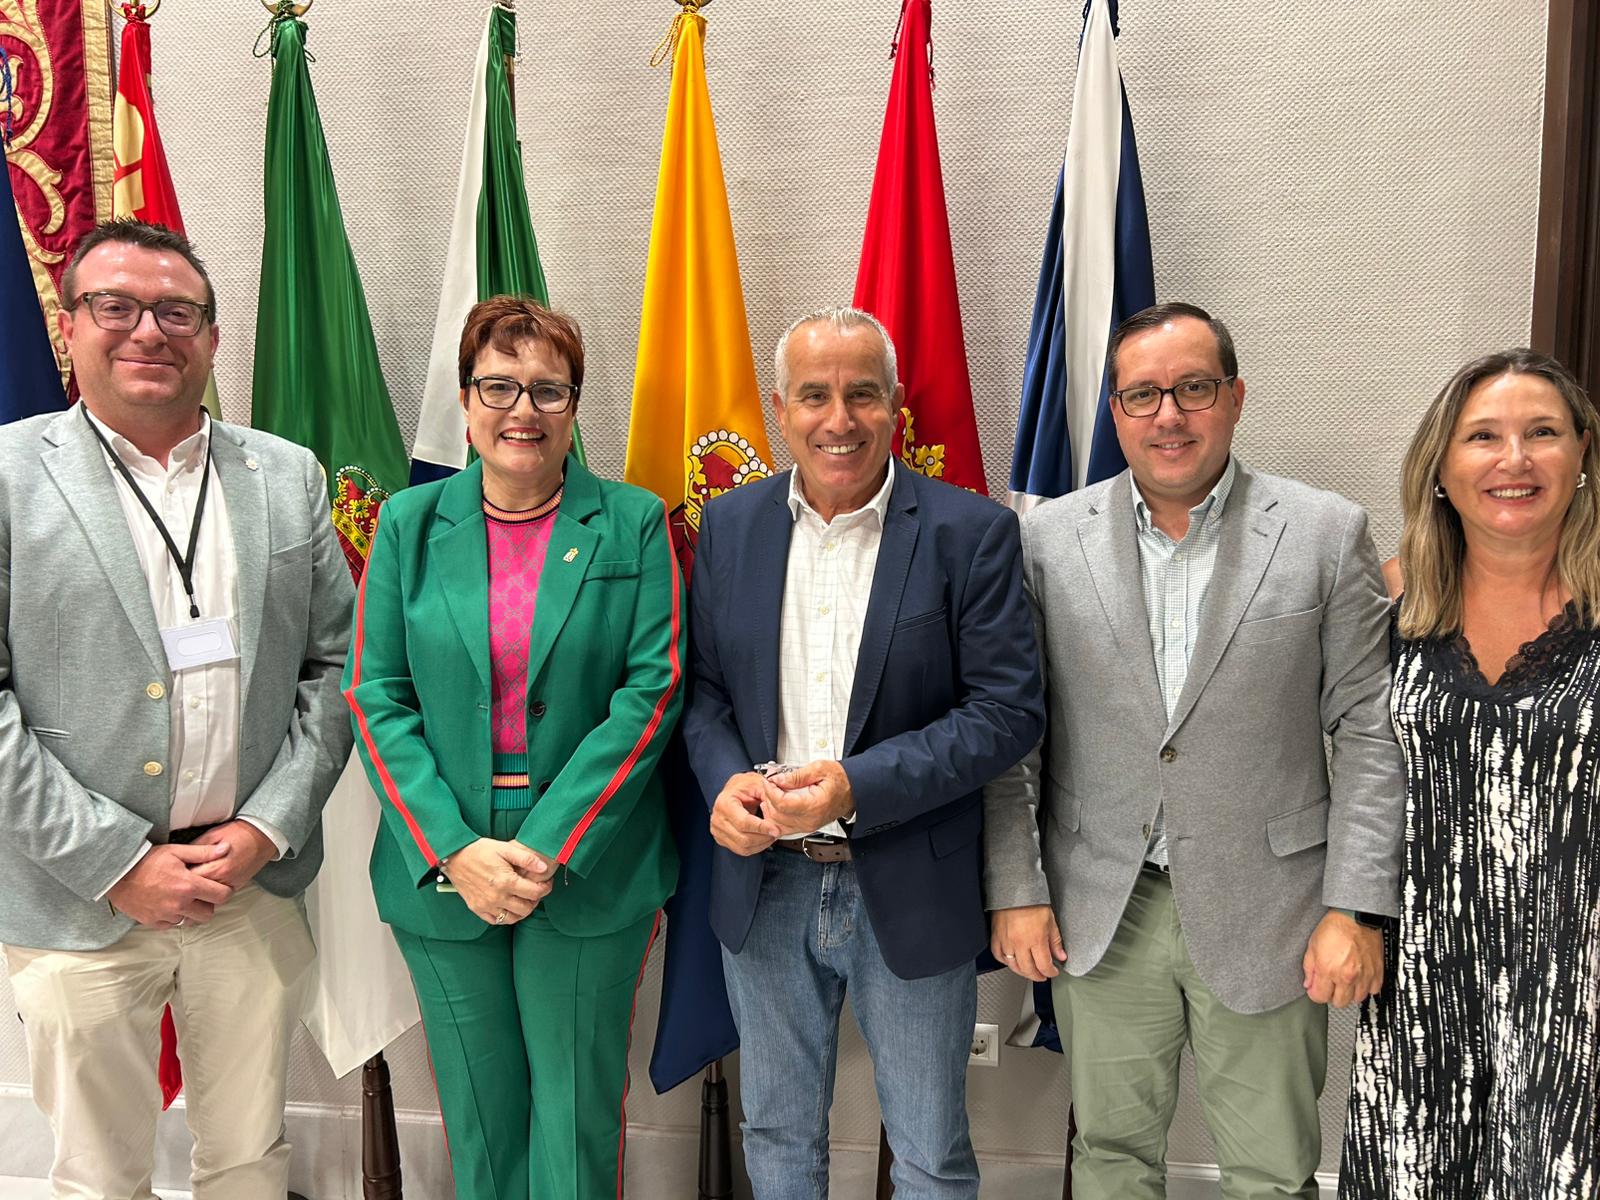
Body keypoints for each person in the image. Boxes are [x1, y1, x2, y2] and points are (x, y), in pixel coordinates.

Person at [984, 302, 1405, 1199]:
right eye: (1142, 394)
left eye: (1193, 388)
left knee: (1272, 1173)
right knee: (1110, 1160)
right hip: (1104, 904)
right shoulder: (1046, 539)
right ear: (1115, 411)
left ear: (1235, 397)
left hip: (1276, 910)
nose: (1168, 414)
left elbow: (1370, 732)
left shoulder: (1325, 533)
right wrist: (1017, 888)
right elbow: (1017, 734)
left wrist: (1357, 907)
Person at [0, 218, 353, 1198]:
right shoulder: (8, 477)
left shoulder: (286, 474)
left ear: (211, 336)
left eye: (176, 312)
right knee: (99, 1175)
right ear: (70, 325)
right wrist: (116, 862)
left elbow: (336, 666)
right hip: (78, 898)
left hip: (249, 889)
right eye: (115, 306)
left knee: (247, 1159)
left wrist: (269, 827)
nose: (148, 330)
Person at [682, 306, 1044, 1199]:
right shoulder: (729, 526)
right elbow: (704, 694)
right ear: (780, 409)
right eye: (814, 395)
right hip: (764, 882)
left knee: (928, 1152)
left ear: (896, 404)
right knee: (777, 1137)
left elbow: (1006, 712)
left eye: (862, 394)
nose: (838, 419)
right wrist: (725, 783)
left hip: (909, 880)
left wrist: (855, 786)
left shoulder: (971, 532)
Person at [344, 295, 682, 1199]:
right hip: (443, 856)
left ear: (574, 405)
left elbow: (650, 695)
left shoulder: (633, 522)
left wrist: (546, 845)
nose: (522, 409)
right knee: (480, 1121)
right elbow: (377, 698)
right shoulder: (409, 525)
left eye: (547, 389)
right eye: (498, 386)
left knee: (574, 1117)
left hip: (586, 857)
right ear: (465, 401)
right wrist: (455, 849)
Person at [1341, 349, 1600, 1197]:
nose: (1514, 459)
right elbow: (1346, 771)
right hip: (1422, 975)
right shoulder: (1392, 603)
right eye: (1483, 436)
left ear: (1582, 453)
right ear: (1442, 468)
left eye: (1543, 433)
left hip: (1576, 981)